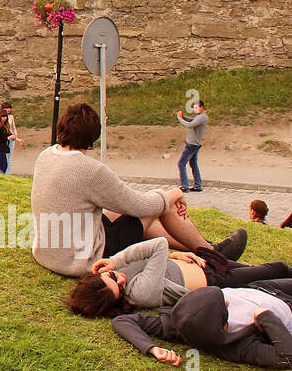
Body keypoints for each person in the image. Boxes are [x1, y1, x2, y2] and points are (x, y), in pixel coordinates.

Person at [30, 102, 245, 278]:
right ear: (92, 136)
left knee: (148, 201)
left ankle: (201, 248)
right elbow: (142, 207)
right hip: (82, 258)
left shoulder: (46, 155)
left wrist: (160, 196)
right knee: (159, 206)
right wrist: (175, 193)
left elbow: (132, 201)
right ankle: (213, 253)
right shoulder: (88, 169)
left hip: (49, 251)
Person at [112, 276, 292, 370]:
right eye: (224, 309)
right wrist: (266, 318)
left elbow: (124, 321)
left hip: (262, 289)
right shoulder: (240, 345)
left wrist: (152, 348)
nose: (227, 303)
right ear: (222, 327)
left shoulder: (176, 322)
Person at [68, 236, 292, 318]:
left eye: (111, 276)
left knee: (275, 269)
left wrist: (178, 256)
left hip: (208, 268)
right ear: (119, 300)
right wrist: (115, 260)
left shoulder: (123, 277)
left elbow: (152, 257)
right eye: (117, 285)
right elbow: (157, 246)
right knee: (275, 271)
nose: (119, 278)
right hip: (218, 283)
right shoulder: (139, 292)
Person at [176, 99, 208, 192]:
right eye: (194, 108)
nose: (195, 109)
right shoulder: (200, 116)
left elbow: (190, 124)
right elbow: (192, 120)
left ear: (202, 107)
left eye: (196, 108)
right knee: (193, 164)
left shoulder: (202, 117)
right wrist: (184, 116)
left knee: (181, 163)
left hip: (192, 144)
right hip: (195, 144)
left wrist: (180, 119)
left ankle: (184, 186)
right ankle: (198, 185)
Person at [0, 101, 26, 175]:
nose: (8, 110)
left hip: (12, 139)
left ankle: (7, 174)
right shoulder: (0, 117)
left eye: (9, 108)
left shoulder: (11, 117)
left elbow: (13, 128)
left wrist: (16, 137)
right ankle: (3, 173)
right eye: (6, 108)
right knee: (3, 157)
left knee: (9, 158)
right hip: (5, 139)